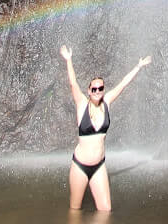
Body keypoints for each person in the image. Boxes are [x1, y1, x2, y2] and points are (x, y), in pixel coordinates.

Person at [59, 43, 152, 212]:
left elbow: (123, 84)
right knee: (75, 210)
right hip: (80, 165)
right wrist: (68, 59)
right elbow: (73, 84)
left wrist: (138, 66)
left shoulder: (107, 102)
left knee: (105, 211)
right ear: (88, 91)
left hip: (99, 166)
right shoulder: (82, 104)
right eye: (93, 88)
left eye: (100, 88)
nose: (97, 91)